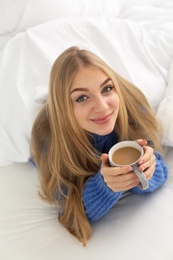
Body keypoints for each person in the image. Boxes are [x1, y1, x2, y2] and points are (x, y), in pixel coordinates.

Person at [30, 46, 168, 246]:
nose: (103, 107)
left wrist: (147, 171)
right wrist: (106, 187)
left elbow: (160, 170)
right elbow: (70, 213)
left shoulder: (131, 104)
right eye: (82, 98)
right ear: (64, 107)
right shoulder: (47, 135)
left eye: (107, 89)